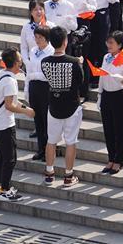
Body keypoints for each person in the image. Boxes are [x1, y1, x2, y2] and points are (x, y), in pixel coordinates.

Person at [41, 26, 87, 187]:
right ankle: (68, 175)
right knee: (70, 142)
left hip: (53, 105)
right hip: (72, 106)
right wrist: (79, 63)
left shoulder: (45, 62)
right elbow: (80, 81)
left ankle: (49, 173)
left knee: (51, 141)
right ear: (65, 41)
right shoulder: (73, 62)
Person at [0, 48, 36, 202]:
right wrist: (26, 112)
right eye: (20, 59)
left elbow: (11, 102)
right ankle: (5, 190)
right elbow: (9, 105)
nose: (22, 61)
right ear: (16, 63)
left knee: (1, 156)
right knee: (10, 158)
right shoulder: (10, 81)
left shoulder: (2, 75)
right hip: (4, 124)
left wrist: (25, 107)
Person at [98, 31, 123, 174]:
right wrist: (100, 95)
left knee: (119, 130)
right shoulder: (106, 57)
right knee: (108, 129)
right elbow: (101, 75)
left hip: (118, 96)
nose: (108, 45)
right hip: (106, 95)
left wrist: (120, 78)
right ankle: (111, 158)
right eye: (108, 42)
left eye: (112, 43)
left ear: (119, 44)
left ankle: (119, 160)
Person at [22, 21, 54, 161]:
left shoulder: (51, 51)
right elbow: (30, 71)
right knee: (38, 121)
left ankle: (49, 151)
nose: (37, 40)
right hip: (34, 87)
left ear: (46, 38)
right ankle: (41, 149)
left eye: (40, 37)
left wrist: (35, 76)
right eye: (36, 37)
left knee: (47, 121)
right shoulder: (33, 51)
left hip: (45, 88)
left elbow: (48, 74)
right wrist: (27, 89)